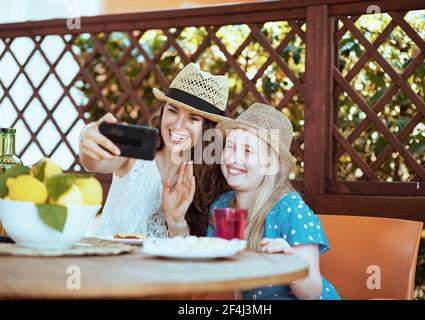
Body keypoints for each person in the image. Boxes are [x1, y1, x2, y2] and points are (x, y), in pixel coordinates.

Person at [207, 103, 341, 300]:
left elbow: (312, 293)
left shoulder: (290, 209)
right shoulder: (221, 205)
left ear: (270, 163)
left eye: (247, 151)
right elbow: (209, 271)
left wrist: (290, 266)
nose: (234, 158)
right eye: (230, 147)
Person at [79, 63, 229, 238]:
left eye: (193, 119)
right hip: (112, 262)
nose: (178, 125)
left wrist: (176, 221)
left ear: (207, 129)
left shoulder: (210, 177)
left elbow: (187, 252)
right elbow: (94, 162)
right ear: (163, 112)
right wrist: (88, 138)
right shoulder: (136, 151)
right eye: (173, 111)